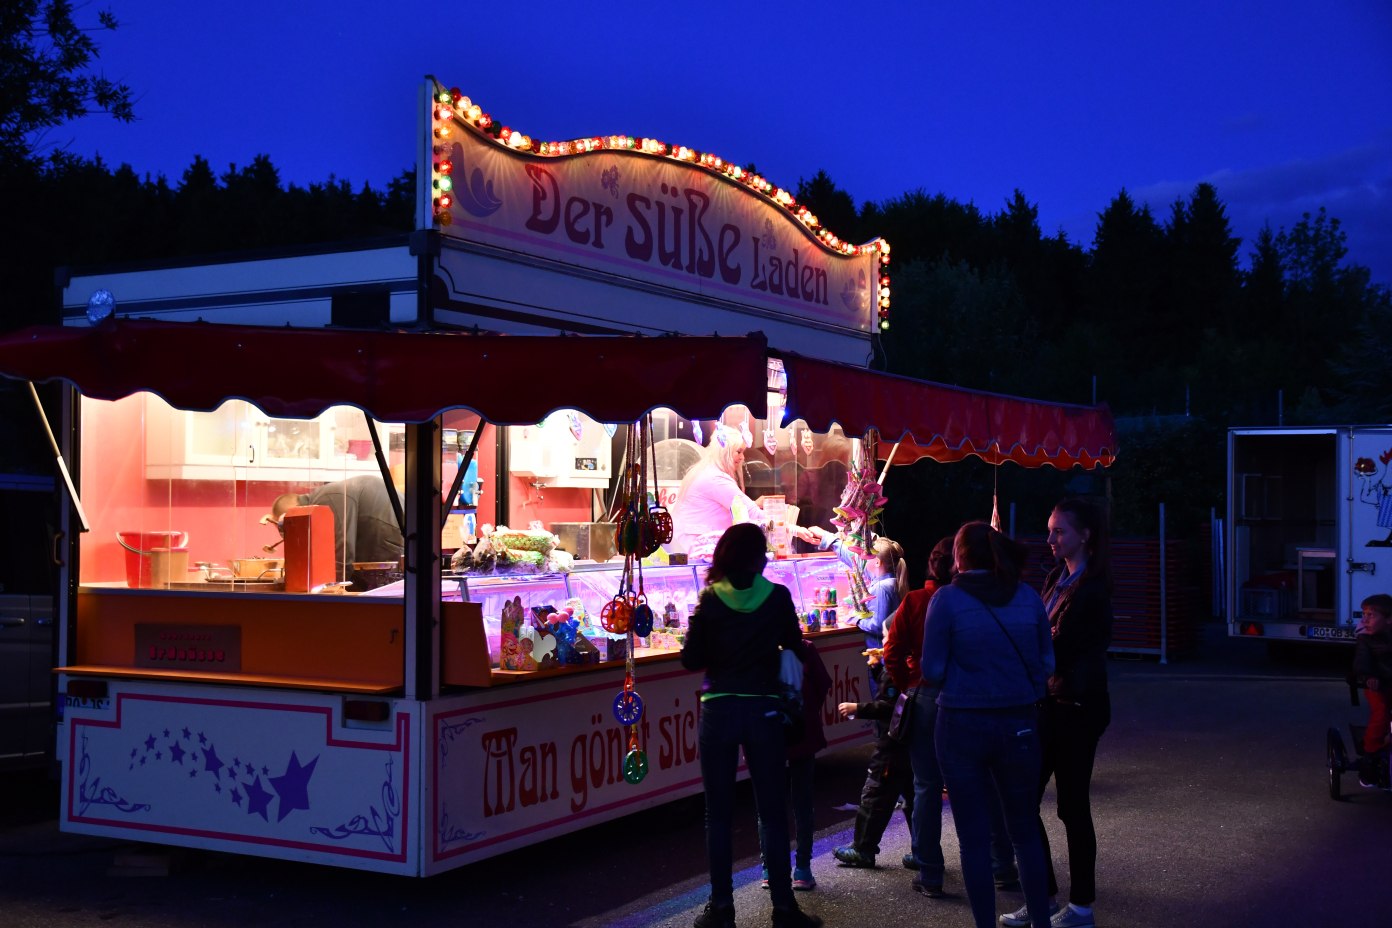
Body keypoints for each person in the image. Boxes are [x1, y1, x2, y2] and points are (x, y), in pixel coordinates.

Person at [679, 523, 821, 928]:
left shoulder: (710, 598)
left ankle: (722, 909)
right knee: (772, 812)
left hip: (719, 711)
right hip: (764, 710)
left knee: (718, 815)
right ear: (760, 559)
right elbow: (795, 645)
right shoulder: (777, 596)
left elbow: (691, 659)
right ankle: (784, 909)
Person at [922, 522, 1054, 928]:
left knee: (973, 839)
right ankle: (1041, 921)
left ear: (959, 556)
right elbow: (1047, 663)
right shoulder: (1028, 597)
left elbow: (932, 670)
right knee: (1024, 831)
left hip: (961, 723)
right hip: (1020, 723)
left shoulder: (946, 600)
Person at [884, 534, 1018, 897]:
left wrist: (909, 684)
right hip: (971, 695)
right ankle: (1001, 864)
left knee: (926, 786)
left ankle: (930, 870)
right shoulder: (976, 600)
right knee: (984, 781)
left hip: (926, 696)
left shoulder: (916, 600)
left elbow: (892, 652)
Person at [1002, 498, 1115, 928]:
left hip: (1077, 706)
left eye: (1059, 531)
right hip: (1051, 703)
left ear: (1085, 535)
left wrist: (1040, 643)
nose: (1050, 538)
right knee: (1024, 800)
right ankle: (1043, 896)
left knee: (1071, 806)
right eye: (1049, 530)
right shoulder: (1056, 579)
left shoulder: (1092, 589)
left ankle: (1080, 906)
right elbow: (1044, 637)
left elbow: (1060, 647)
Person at [759, 637, 833, 892]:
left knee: (768, 806)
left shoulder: (756, 645)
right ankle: (802, 869)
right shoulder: (805, 647)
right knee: (802, 802)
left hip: (766, 736)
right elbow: (823, 685)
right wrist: (806, 713)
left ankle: (770, 869)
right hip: (802, 733)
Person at [831, 649, 914, 872]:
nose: (884, 640)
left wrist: (857, 708)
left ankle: (863, 849)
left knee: (876, 794)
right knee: (914, 797)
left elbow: (890, 705)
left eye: (887, 636)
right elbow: (891, 694)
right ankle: (924, 851)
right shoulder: (909, 662)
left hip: (892, 744)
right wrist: (877, 667)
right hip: (909, 743)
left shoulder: (898, 667)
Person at [809, 527, 908, 695]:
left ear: (877, 562)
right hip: (886, 657)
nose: (863, 559)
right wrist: (830, 539)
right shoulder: (890, 582)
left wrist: (856, 619)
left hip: (881, 658)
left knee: (882, 699)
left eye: (867, 556)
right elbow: (854, 561)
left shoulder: (882, 587)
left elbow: (878, 625)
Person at [267, 474, 403, 579]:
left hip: (390, 530)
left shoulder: (327, 499)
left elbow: (341, 554)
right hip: (390, 528)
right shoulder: (323, 498)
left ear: (294, 511)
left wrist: (328, 593)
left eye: (290, 525)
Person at [670, 425, 768, 561]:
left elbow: (734, 508)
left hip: (689, 546)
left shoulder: (707, 472)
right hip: (695, 549)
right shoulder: (716, 478)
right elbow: (750, 512)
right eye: (738, 452)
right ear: (725, 451)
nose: (742, 457)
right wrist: (785, 525)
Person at [1353, 593, 1392, 788]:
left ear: (1389, 620)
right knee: (1381, 712)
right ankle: (1370, 754)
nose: (1365, 620)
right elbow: (1362, 662)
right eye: (1364, 615)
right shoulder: (1366, 640)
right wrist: (1368, 677)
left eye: (1371, 615)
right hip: (1377, 685)